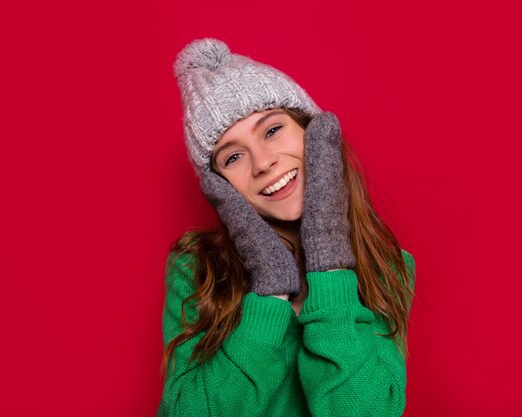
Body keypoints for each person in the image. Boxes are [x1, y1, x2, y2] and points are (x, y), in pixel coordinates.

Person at [156, 38, 416, 417]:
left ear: (313, 136)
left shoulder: (386, 266)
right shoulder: (194, 268)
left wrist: (329, 266)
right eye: (232, 156)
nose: (262, 163)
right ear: (219, 187)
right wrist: (269, 292)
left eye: (272, 130)